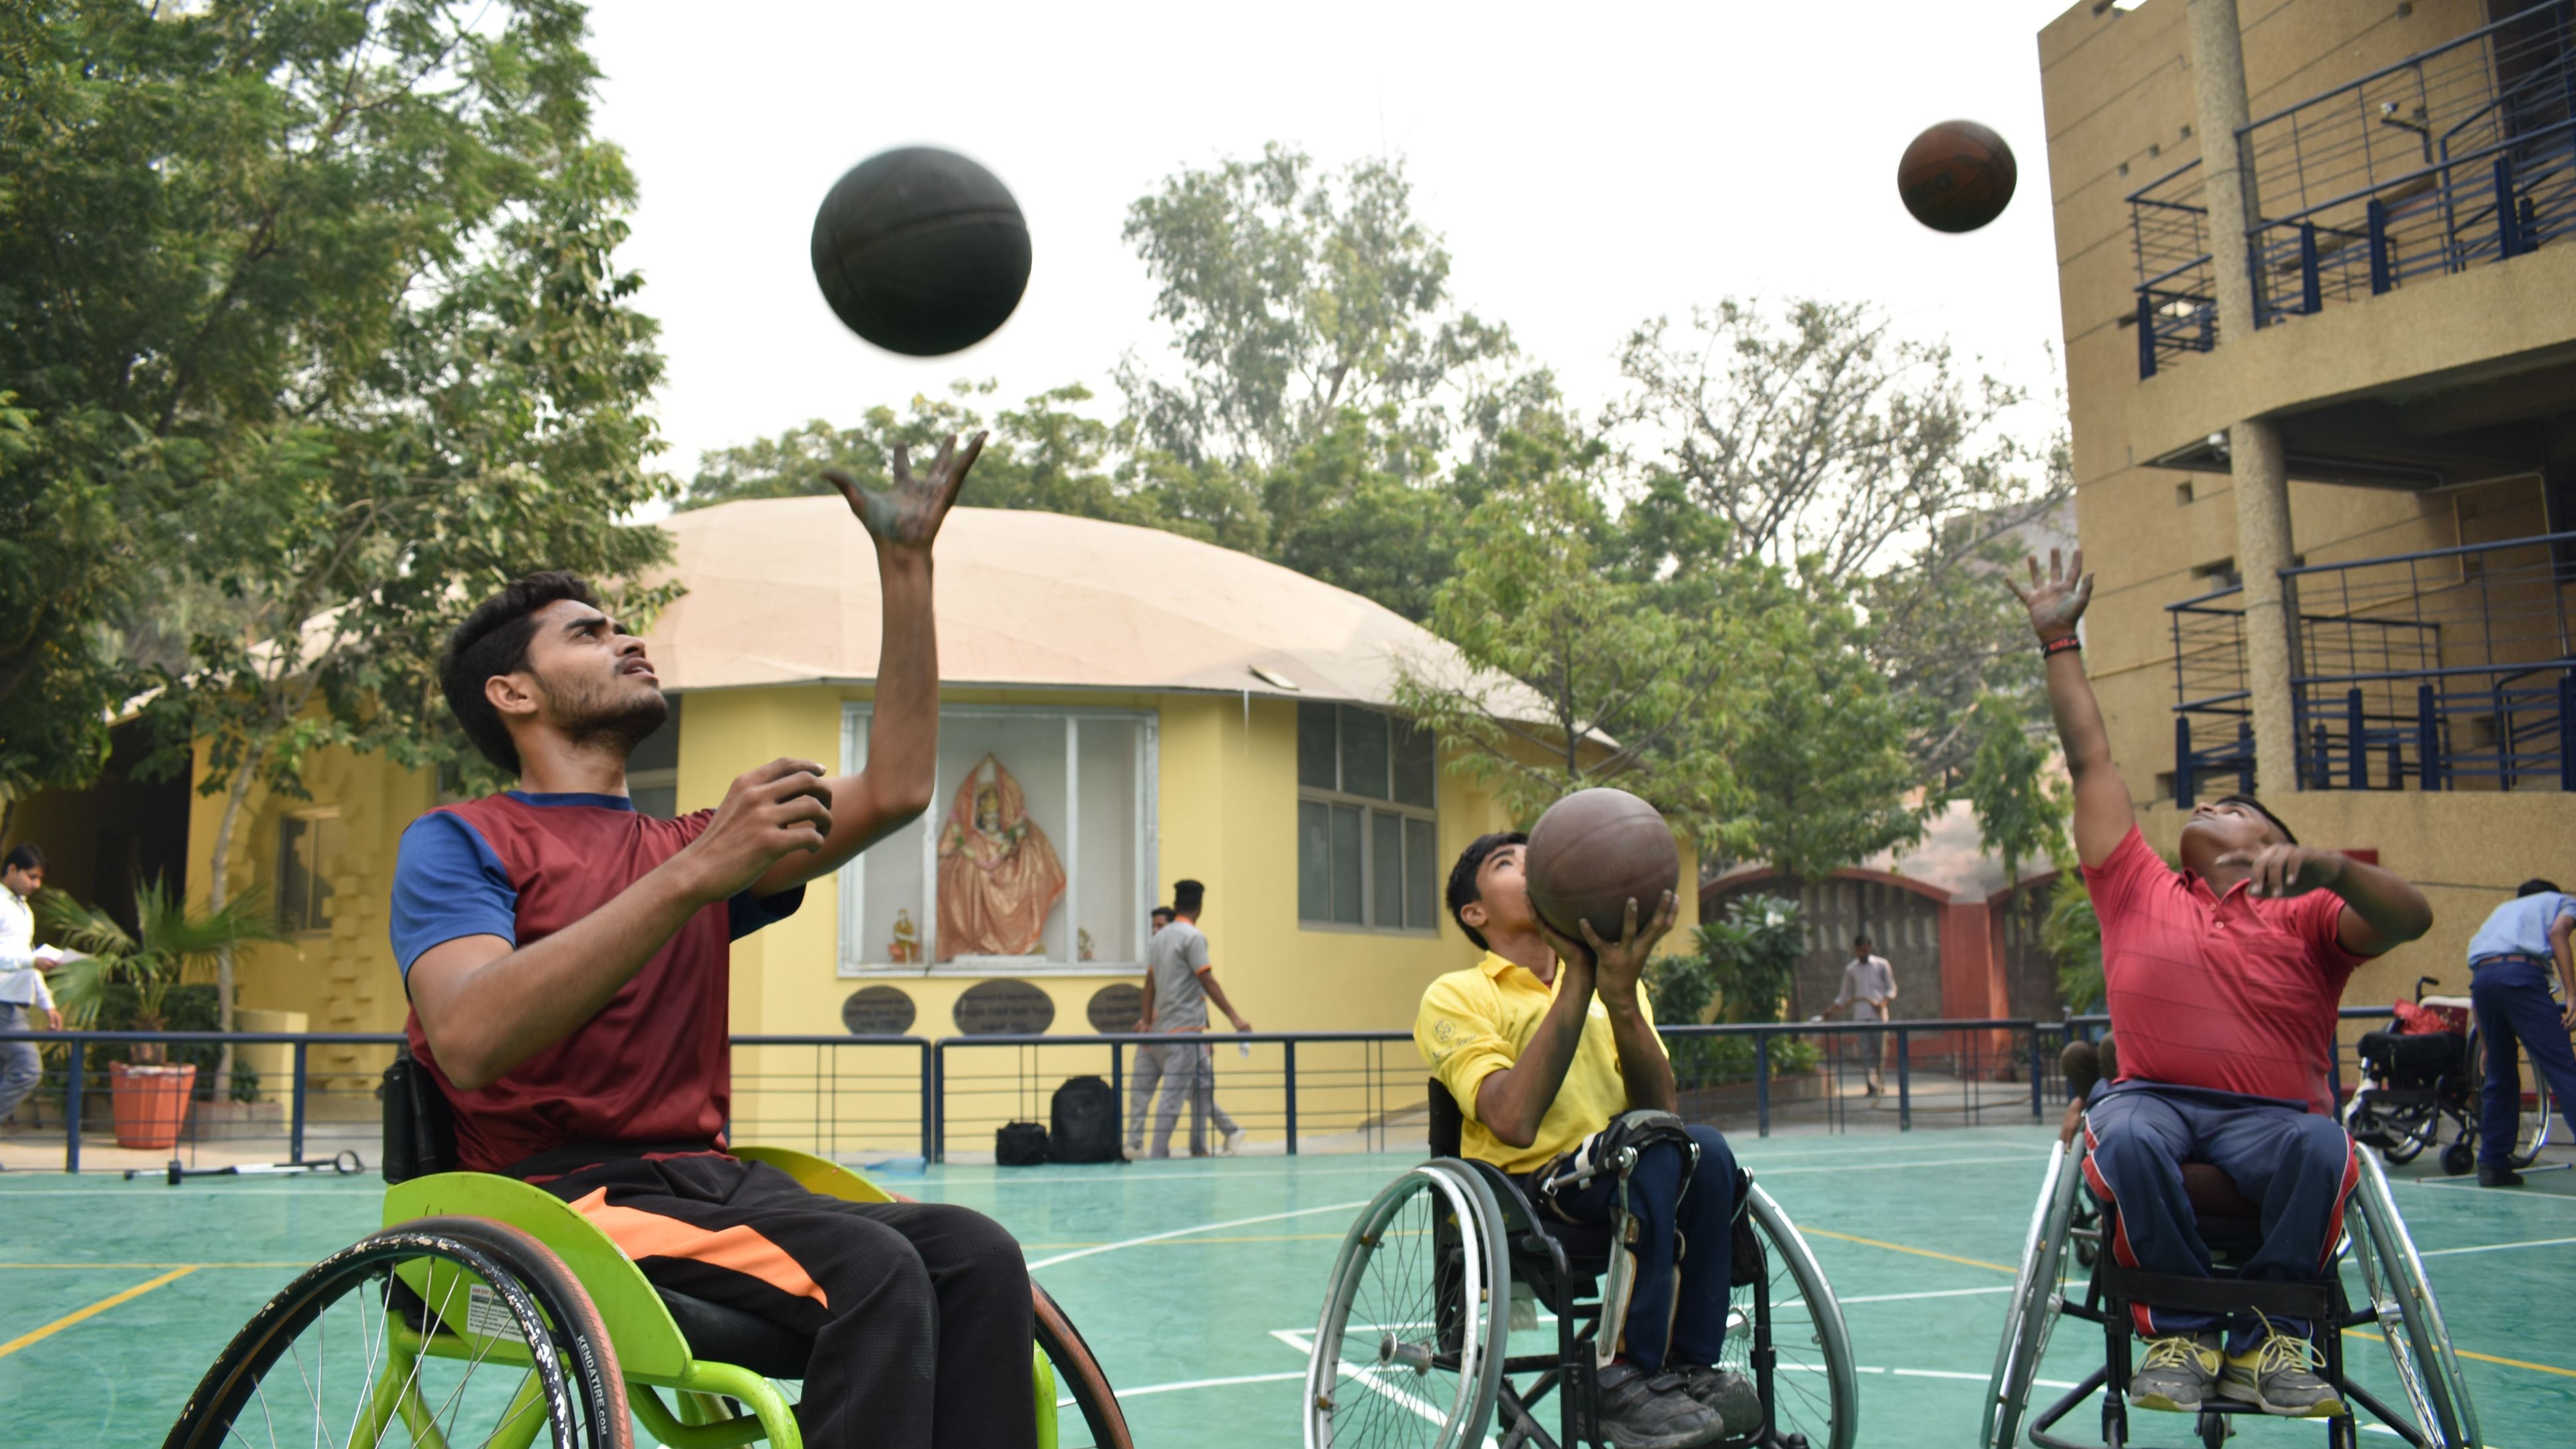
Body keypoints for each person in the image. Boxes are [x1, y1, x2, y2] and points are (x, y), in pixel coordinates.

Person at [391, 435, 1036, 1449]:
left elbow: (903, 787)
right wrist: (696, 873)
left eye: (622, 627)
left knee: (976, 1251)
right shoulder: (462, 840)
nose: (627, 640)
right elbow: (469, 1036)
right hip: (553, 1198)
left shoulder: (693, 843)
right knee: (872, 1273)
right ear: (512, 692)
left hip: (709, 1179)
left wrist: (904, 567)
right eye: (588, 634)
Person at [2011, 548, 2432, 1420]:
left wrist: (2332, 869)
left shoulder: (2310, 912)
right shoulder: (2136, 885)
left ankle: (2274, 1338)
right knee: (2121, 1133)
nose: (2210, 805)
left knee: (2326, 1148)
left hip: (2274, 1122)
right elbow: (2092, 761)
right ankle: (2182, 1328)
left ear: (2275, 839)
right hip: (2153, 1098)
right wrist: (2059, 641)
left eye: (2235, 805)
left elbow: (2409, 919)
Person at [1416, 832, 1757, 1449]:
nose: (1530, 862)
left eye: (1534, 851)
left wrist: (1621, 997)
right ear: (1476, 913)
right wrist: (1579, 978)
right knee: (1648, 1153)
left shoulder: (1616, 987)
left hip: (1631, 1169)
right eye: (1506, 862)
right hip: (1530, 1191)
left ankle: (1691, 1368)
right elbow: (1512, 1120)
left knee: (1705, 1150)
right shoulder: (1459, 995)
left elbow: (1665, 1114)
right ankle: (1617, 1378)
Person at [2462, 879, 2576, 1188]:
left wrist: (2486, 1045)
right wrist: (2572, 993)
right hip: (2521, 975)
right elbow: (2558, 933)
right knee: (2562, 1068)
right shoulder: (2562, 901)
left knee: (2499, 1074)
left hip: (2483, 979)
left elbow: (2480, 980)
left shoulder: (2502, 910)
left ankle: (2493, 1164)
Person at [1130, 879, 1251, 1158]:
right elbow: (1206, 979)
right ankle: (1158, 1155)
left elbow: (1149, 984)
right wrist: (1235, 1018)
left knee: (1203, 1085)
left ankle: (1204, 1144)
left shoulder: (1159, 938)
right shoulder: (1193, 937)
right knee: (1172, 1097)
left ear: (1175, 904)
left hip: (1166, 1030)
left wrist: (1147, 1021)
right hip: (1185, 1030)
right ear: (1200, 905)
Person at [0, 845, 64, 1136]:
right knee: (28, 1069)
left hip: (18, 1004)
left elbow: (29, 957)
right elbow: (26, 959)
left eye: (39, 878)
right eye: (31, 877)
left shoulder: (23, 908)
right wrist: (31, 960)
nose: (36, 885)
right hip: (3, 1003)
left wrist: (47, 1004)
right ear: (12, 869)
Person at [1813, 932, 1897, 1096]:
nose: (1862, 953)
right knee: (1866, 1052)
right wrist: (1831, 1010)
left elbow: (1892, 988)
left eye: (1865, 949)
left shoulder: (1881, 965)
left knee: (1880, 1051)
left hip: (1879, 1016)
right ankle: (1871, 1085)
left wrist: (1884, 1003)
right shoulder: (1851, 970)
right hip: (1861, 1015)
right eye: (1859, 950)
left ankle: (1880, 1080)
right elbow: (1845, 995)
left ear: (1870, 948)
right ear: (1856, 950)